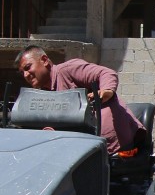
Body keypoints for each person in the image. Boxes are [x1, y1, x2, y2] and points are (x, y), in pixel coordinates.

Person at [15, 45, 145, 156]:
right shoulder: (41, 96)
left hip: (117, 148)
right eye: (22, 73)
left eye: (28, 67)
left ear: (44, 60)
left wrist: (106, 91)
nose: (26, 75)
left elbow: (106, 73)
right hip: (82, 152)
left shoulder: (67, 70)